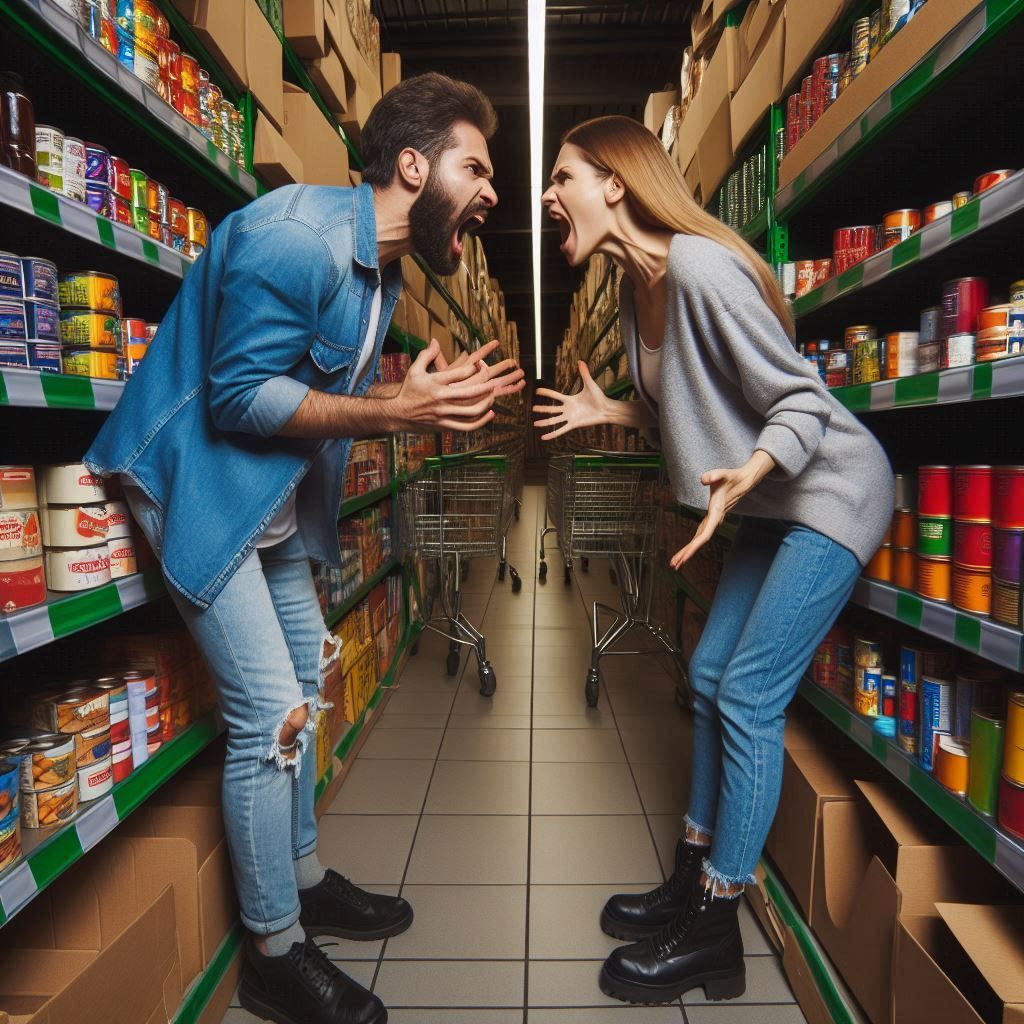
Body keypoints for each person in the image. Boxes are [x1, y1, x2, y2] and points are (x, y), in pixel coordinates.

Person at [86, 73, 523, 1024]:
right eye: (476, 166)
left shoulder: (385, 271)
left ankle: (304, 875)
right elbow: (240, 396)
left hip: (273, 502)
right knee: (270, 715)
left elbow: (324, 412)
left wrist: (416, 416)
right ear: (413, 166)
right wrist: (394, 409)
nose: (493, 192)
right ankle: (275, 953)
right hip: (204, 489)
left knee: (308, 694)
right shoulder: (298, 237)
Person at [534, 115, 893, 1006]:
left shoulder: (699, 267)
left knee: (747, 691)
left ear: (614, 183)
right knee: (704, 675)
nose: (547, 196)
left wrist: (751, 476)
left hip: (828, 493)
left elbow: (803, 405)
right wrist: (617, 415)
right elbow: (693, 415)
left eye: (561, 175)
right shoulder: (631, 293)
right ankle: (692, 879)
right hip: (767, 500)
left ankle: (719, 927)